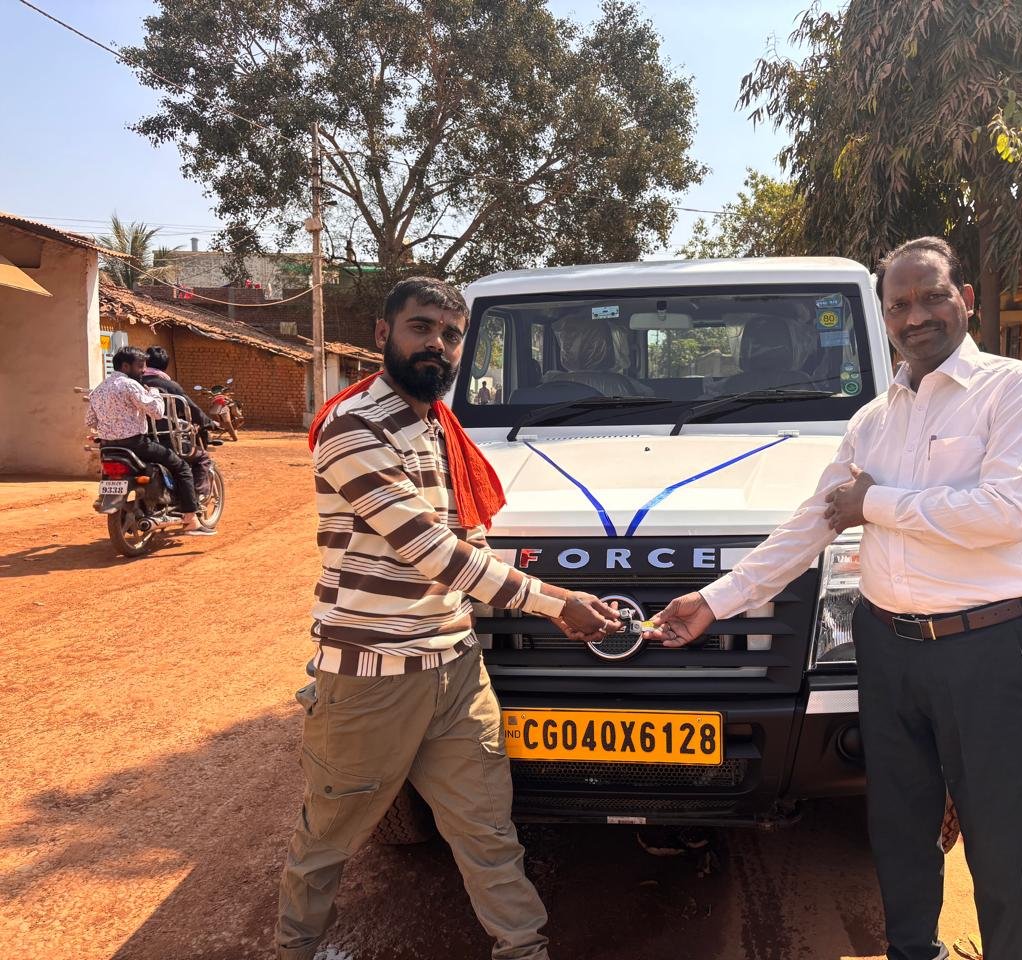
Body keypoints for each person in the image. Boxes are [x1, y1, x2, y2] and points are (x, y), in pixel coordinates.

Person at [647, 237, 1022, 960]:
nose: (916, 316)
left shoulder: (1014, 388)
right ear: (883, 317)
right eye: (899, 304)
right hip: (887, 646)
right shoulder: (873, 419)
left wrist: (876, 503)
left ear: (966, 300)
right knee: (899, 826)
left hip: (984, 648)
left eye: (932, 296)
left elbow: (1008, 511)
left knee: (997, 839)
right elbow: (814, 520)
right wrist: (714, 600)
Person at [275, 277, 623, 960]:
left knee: (487, 831)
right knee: (329, 839)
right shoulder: (353, 428)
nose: (437, 344)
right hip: (373, 675)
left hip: (457, 667)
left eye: (451, 334)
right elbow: (433, 552)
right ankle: (292, 949)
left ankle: (523, 949)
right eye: (421, 327)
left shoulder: (440, 428)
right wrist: (556, 603)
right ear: (383, 334)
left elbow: (470, 543)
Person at [86, 346, 214, 536]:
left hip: (108, 446)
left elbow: (90, 421)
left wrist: (110, 425)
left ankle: (105, 496)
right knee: (181, 467)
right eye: (140, 366)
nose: (143, 371)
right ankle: (191, 519)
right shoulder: (130, 385)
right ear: (125, 366)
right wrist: (154, 393)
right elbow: (157, 412)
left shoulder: (99, 389)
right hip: (136, 445)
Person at [141, 346, 215, 496]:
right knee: (202, 457)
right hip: (168, 442)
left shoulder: (136, 384)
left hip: (141, 440)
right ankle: (198, 496)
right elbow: (192, 409)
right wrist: (209, 423)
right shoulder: (171, 386)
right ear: (165, 365)